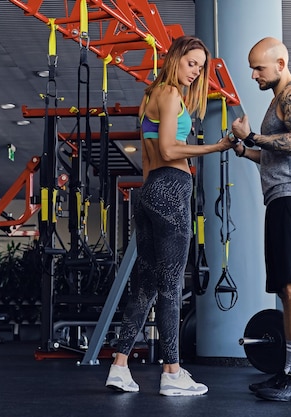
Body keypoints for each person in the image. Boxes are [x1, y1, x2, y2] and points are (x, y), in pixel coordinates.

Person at [105, 35, 234, 396]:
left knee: (145, 285)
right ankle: (172, 371)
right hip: (172, 190)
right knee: (171, 286)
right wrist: (217, 145)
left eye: (200, 67)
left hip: (148, 192)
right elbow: (167, 148)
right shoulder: (170, 93)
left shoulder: (149, 96)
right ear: (175, 58)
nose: (195, 72)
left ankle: (119, 365)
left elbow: (151, 153)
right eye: (191, 63)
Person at [229, 37, 291, 402]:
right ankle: (290, 372)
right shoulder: (278, 100)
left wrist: (252, 135)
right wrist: (245, 150)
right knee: (286, 289)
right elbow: (277, 154)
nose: (254, 74)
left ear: (281, 64)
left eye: (259, 68)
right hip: (283, 197)